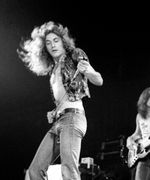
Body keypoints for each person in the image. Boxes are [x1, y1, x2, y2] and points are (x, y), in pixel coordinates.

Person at [18, 21, 103, 180]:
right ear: (44, 48)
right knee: (34, 172)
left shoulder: (74, 55)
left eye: (55, 40)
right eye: (48, 43)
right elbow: (63, 97)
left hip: (73, 118)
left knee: (68, 171)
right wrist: (55, 111)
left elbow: (99, 79)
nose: (52, 45)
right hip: (58, 121)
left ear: (63, 41)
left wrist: (89, 72)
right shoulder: (52, 69)